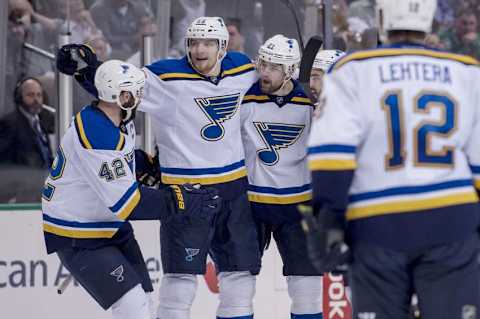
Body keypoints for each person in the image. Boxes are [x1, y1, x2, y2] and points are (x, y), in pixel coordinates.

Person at [57, 17, 261, 319]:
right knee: (180, 284)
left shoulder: (243, 68)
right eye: (194, 42)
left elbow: (273, 83)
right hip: (187, 190)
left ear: (223, 47)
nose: (199, 49)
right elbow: (122, 84)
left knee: (240, 280)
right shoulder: (167, 76)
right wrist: (87, 68)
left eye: (207, 43)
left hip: (234, 190)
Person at [304, 0, 480, 318]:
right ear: (429, 19)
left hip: (377, 225)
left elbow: (332, 154)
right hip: (451, 222)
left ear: (382, 16)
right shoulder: (466, 71)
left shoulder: (352, 69)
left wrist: (329, 220)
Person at [41, 59, 221, 319]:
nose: (140, 97)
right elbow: (127, 204)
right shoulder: (97, 134)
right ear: (121, 95)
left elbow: (119, 155)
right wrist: (183, 201)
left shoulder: (114, 115)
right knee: (131, 305)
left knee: (144, 300)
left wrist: (142, 163)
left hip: (108, 225)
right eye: (136, 92)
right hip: (77, 233)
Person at [240, 35, 322, 318]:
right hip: (251, 204)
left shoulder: (309, 103)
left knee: (307, 292)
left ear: (290, 71)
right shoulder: (244, 95)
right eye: (262, 63)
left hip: (298, 206)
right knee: (236, 286)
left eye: (274, 67)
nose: (265, 72)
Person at [0, 77, 54, 169]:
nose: (36, 100)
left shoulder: (41, 122)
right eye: (30, 95)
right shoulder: (9, 123)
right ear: (19, 98)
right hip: (23, 180)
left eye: (39, 95)